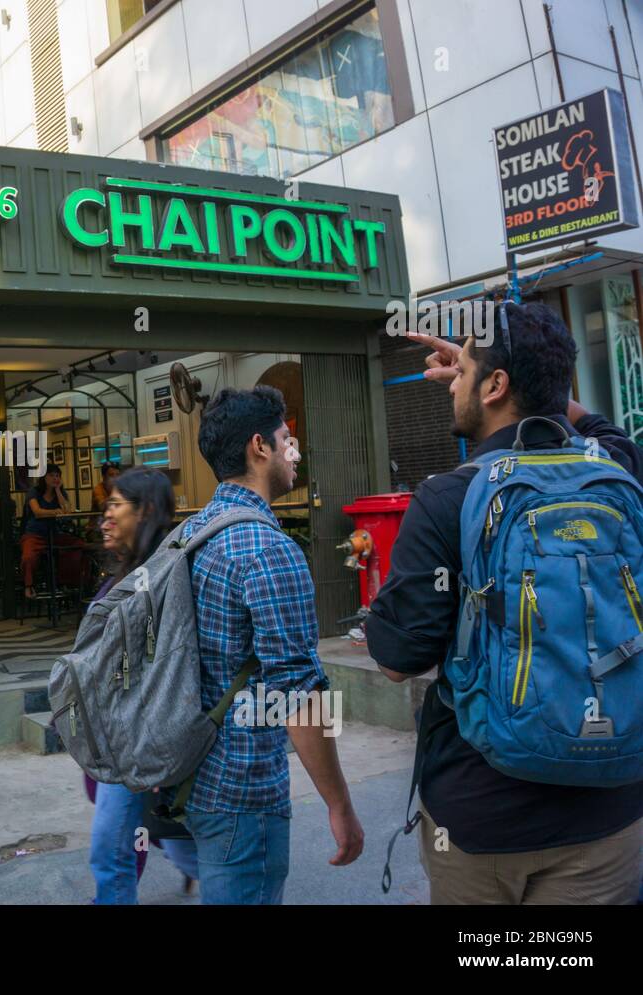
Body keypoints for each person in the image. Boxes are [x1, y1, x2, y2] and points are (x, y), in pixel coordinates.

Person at [368, 303, 643, 904]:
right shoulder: (617, 469)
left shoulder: (446, 498)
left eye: (463, 373)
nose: (452, 384)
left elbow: (396, 661)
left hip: (482, 815)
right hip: (613, 811)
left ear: (494, 387)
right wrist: (530, 381)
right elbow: (603, 428)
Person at [179, 386, 363, 904]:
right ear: (259, 447)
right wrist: (339, 804)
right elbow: (299, 695)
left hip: (193, 778)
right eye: (287, 439)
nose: (295, 450)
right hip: (245, 789)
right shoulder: (268, 549)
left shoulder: (192, 532)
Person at [87, 467, 200, 903]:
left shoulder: (166, 576)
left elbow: (169, 667)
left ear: (146, 510)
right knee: (174, 841)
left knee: (111, 850)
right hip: (117, 736)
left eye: (115, 505)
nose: (105, 517)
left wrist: (156, 745)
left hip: (138, 742)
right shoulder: (125, 575)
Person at [19, 463, 84, 599]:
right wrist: (55, 511)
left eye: (58, 475)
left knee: (78, 544)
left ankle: (67, 582)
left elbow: (67, 511)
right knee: (28, 557)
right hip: (34, 534)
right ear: (44, 477)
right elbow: (37, 512)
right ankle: (29, 586)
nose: (55, 478)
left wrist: (58, 490)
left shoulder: (60, 493)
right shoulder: (34, 492)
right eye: (51, 475)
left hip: (54, 534)